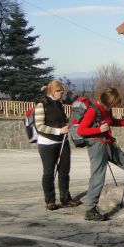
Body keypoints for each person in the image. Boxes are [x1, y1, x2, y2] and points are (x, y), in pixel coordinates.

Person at [77, 87, 124, 222]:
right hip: (97, 146)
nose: (114, 106)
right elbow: (81, 130)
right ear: (108, 101)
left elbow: (113, 121)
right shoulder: (93, 110)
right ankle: (90, 210)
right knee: (98, 177)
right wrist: (98, 129)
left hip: (108, 143)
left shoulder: (106, 109)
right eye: (113, 104)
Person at [34, 80, 81, 210]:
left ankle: (66, 198)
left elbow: (62, 119)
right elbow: (39, 126)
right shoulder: (41, 105)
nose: (62, 95)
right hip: (47, 143)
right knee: (49, 172)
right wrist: (58, 130)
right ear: (54, 92)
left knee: (64, 172)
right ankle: (50, 200)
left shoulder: (59, 104)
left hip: (62, 141)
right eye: (60, 92)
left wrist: (66, 124)